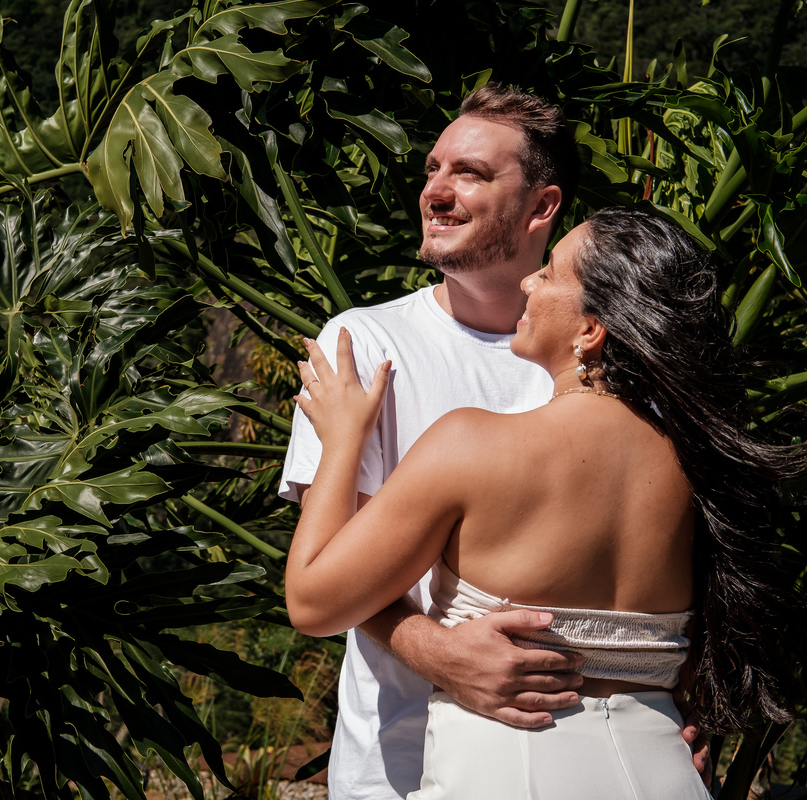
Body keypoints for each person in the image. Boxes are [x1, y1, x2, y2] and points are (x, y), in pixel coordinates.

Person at [286, 207, 807, 798]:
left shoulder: (471, 444)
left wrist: (342, 443)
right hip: (664, 771)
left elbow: (314, 602)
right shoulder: (700, 467)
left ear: (590, 330)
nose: (527, 282)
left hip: (507, 773)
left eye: (548, 273)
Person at [280, 84, 699, 799]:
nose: (437, 193)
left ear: (542, 207)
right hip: (395, 762)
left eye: (470, 174)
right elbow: (337, 569)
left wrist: (687, 704)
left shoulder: (625, 379)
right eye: (432, 170)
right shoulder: (367, 343)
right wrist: (437, 650)